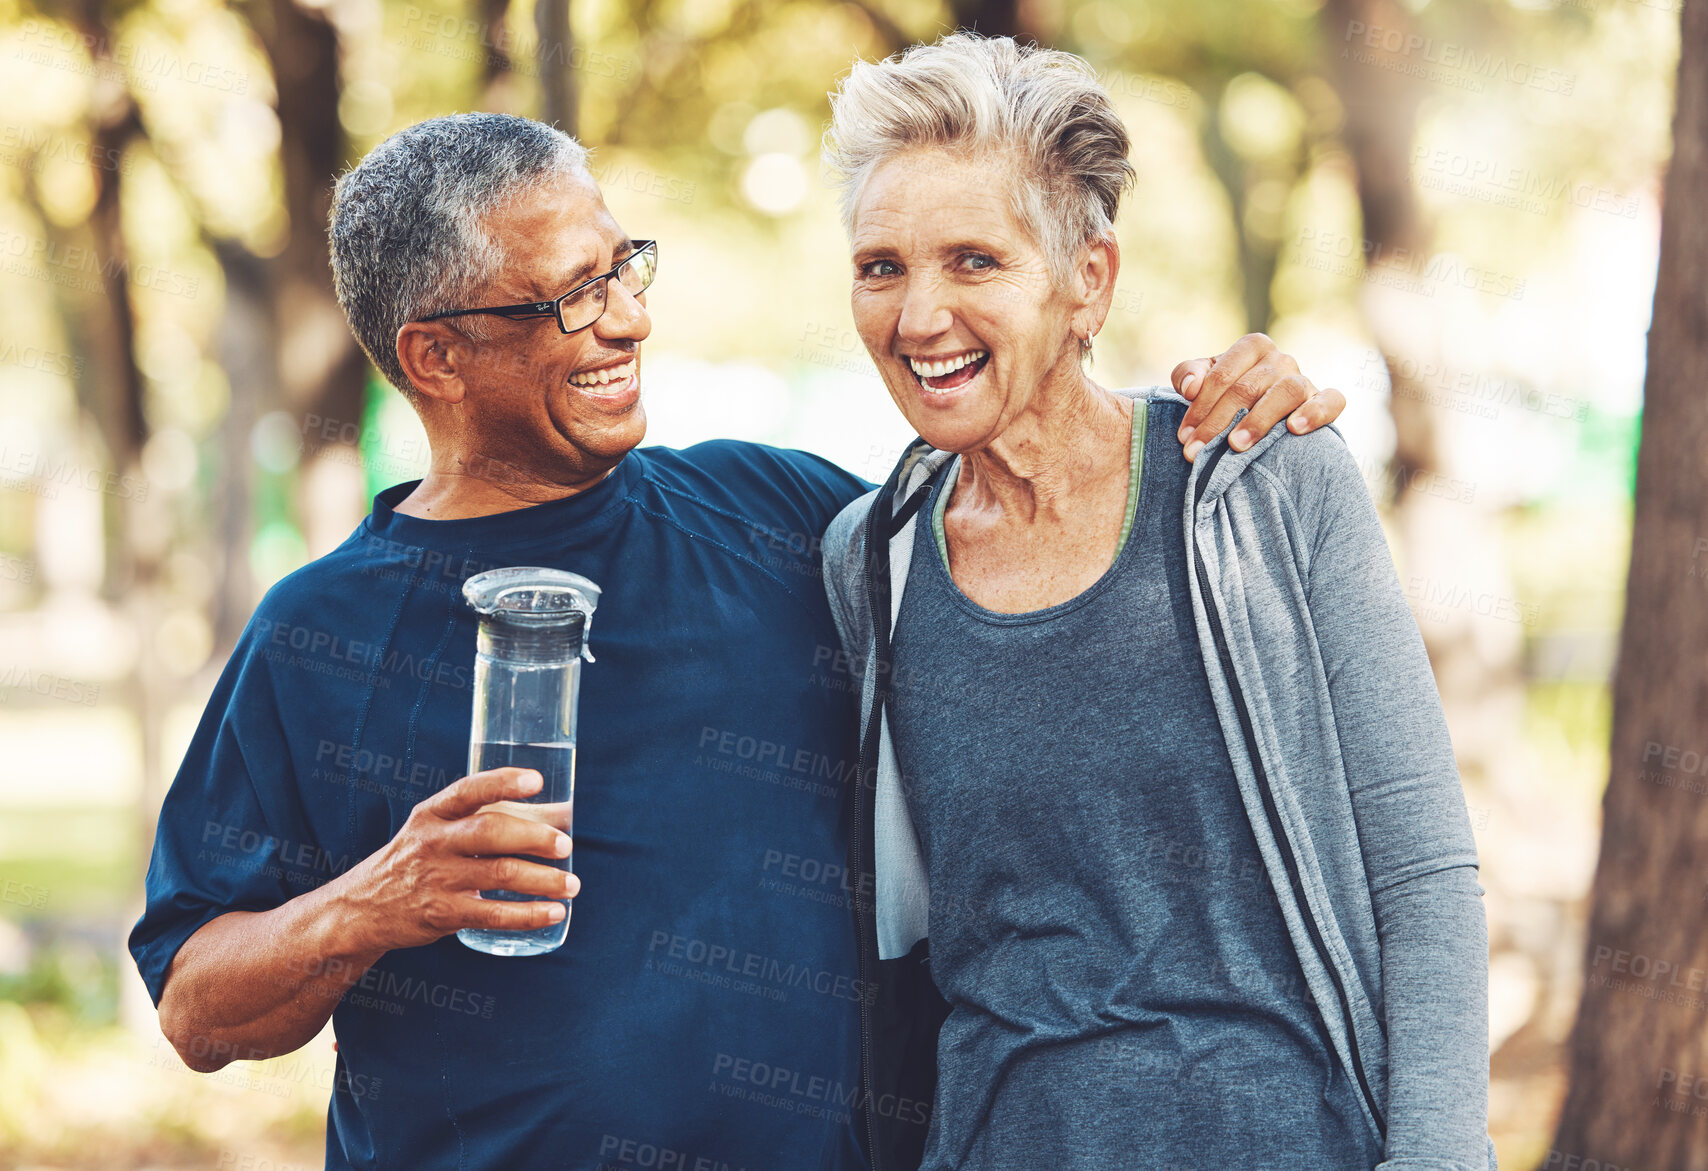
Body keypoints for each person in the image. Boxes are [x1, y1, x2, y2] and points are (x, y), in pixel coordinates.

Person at [129, 112, 1348, 1170]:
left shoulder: (778, 515)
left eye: (624, 269)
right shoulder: (320, 634)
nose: (625, 322)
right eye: (570, 298)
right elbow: (197, 1005)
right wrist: (371, 902)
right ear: (435, 357)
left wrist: (1212, 415)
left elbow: (1025, 500)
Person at [820, 35, 1495, 1171]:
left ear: (1088, 278)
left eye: (974, 261)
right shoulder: (869, 559)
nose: (917, 314)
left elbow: (1419, 872)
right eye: (880, 266)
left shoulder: (1261, 480)